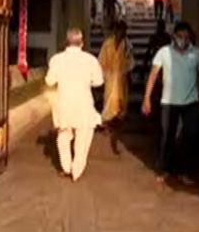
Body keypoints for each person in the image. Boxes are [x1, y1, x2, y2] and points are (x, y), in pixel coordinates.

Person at [142, 22, 199, 183]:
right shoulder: (164, 53)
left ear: (190, 37)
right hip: (169, 101)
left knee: (190, 136)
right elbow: (153, 75)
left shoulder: (197, 54)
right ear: (174, 37)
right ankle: (164, 169)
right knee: (167, 135)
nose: (183, 40)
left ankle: (184, 171)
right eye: (180, 36)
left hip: (191, 102)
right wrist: (146, 99)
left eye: (186, 37)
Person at [45, 28, 104, 181]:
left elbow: (49, 81)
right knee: (83, 136)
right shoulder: (90, 60)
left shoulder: (56, 59)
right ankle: (77, 170)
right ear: (82, 43)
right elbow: (98, 81)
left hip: (63, 103)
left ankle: (66, 166)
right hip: (83, 103)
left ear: (66, 42)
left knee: (63, 136)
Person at [98, 21, 134, 124]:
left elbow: (130, 62)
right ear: (115, 31)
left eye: (123, 30)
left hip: (122, 76)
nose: (120, 33)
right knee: (109, 96)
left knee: (121, 99)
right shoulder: (107, 44)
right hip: (109, 76)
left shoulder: (127, 45)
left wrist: (129, 76)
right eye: (118, 30)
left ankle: (119, 117)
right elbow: (101, 60)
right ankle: (108, 117)